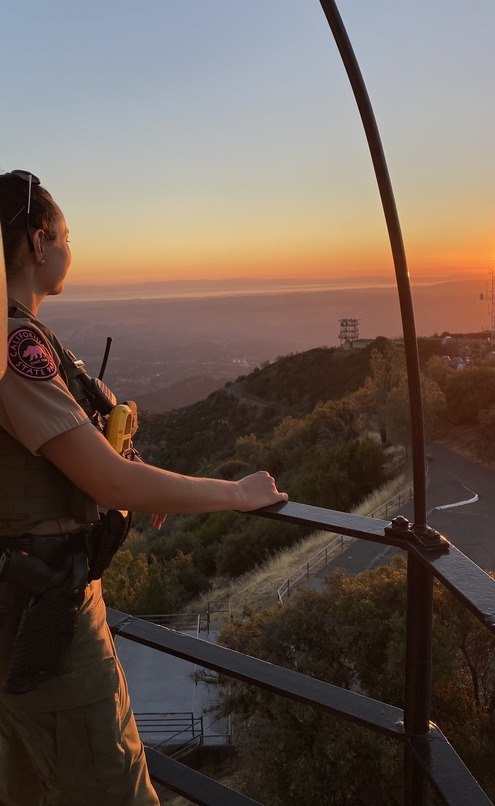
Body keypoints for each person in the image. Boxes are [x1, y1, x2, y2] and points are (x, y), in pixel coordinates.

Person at [0, 170, 288, 806]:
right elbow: (106, 477)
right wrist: (236, 494)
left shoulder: (23, 336)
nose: (72, 249)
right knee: (115, 789)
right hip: (43, 616)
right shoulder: (16, 344)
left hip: (32, 601)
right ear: (38, 241)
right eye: (68, 235)